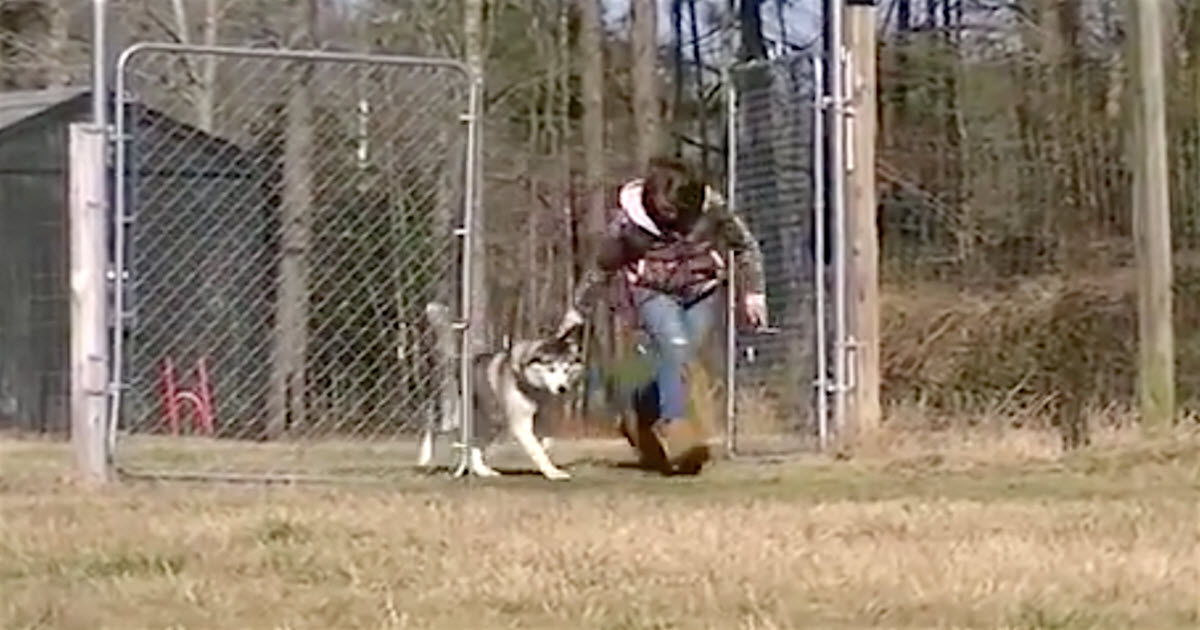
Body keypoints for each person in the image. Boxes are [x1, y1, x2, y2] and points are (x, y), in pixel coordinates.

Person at [557, 156, 768, 474]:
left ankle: (638, 411)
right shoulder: (627, 224)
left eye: (680, 214)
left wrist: (754, 292)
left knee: (679, 358)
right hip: (652, 292)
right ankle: (678, 434)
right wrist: (577, 310)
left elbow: (745, 245)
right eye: (667, 214)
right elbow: (601, 267)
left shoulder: (711, 207)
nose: (675, 223)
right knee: (676, 348)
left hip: (702, 290)